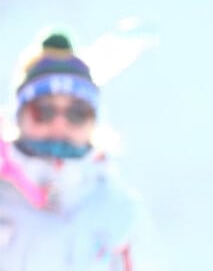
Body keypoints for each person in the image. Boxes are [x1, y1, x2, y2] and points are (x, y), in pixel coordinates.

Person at [0, 31, 166, 270]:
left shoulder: (121, 211)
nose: (59, 123)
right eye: (43, 111)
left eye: (77, 113)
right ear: (18, 116)